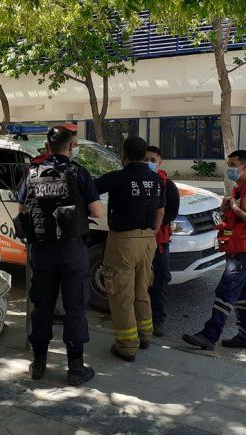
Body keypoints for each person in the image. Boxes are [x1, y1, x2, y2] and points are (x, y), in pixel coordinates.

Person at [18, 126, 103, 386]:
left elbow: (22, 211)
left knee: (42, 305)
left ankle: (39, 364)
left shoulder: (32, 172)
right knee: (74, 306)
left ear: (47, 145)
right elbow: (98, 212)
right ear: (71, 145)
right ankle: (75, 368)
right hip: (72, 250)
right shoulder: (78, 172)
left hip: (42, 250)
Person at [183, 150, 246, 351]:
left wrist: (237, 210)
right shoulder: (238, 191)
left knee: (226, 290)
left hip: (245, 252)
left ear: (244, 167)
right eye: (228, 164)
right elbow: (227, 221)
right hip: (236, 249)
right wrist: (224, 208)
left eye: (232, 164)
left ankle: (209, 336)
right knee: (242, 295)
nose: (228, 168)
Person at [95, 137, 165, 362]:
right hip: (147, 241)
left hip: (123, 242)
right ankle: (145, 335)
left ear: (123, 155)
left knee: (121, 294)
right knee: (142, 290)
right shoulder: (156, 179)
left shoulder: (118, 177)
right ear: (144, 155)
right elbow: (160, 210)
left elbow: (89, 189)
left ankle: (126, 345)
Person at [144, 146, 180, 337]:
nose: (149, 163)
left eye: (152, 159)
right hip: (139, 238)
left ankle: (158, 319)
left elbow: (172, 212)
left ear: (160, 162)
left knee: (161, 278)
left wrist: (155, 226)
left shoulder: (168, 185)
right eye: (146, 159)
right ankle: (141, 316)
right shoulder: (138, 182)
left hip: (159, 240)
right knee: (139, 279)